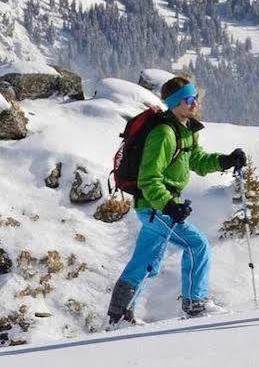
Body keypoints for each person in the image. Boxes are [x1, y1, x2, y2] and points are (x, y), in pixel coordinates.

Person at [105, 75, 247, 323]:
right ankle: (195, 304)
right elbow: (149, 178)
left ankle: (119, 316)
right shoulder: (164, 135)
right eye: (188, 100)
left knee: (144, 260)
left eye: (195, 98)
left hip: (157, 207)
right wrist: (169, 205)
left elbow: (197, 160)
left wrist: (226, 160)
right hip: (156, 206)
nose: (194, 104)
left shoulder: (185, 131)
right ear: (175, 104)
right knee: (197, 244)